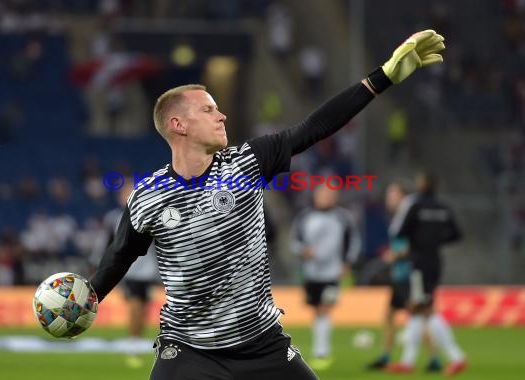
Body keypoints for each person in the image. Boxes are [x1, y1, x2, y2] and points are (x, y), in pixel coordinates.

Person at [89, 30, 446, 380]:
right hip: (189, 350)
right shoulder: (149, 195)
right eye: (208, 109)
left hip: (263, 346)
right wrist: (87, 300)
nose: (222, 115)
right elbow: (120, 255)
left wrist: (381, 78)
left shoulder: (248, 162)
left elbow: (315, 127)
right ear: (178, 124)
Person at [384, 171, 467, 376]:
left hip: (418, 262)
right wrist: (436, 240)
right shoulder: (442, 207)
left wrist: (417, 241)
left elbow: (399, 232)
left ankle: (456, 357)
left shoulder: (415, 205)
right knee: (416, 308)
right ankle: (407, 362)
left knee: (425, 309)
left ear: (422, 184)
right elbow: (456, 234)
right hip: (435, 261)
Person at [367, 179, 442, 372]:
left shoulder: (410, 217)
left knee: (418, 313)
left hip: (409, 273)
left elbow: (415, 243)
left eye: (392, 194)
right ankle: (385, 355)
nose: (388, 198)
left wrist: (396, 255)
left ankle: (433, 358)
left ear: (402, 197)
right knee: (391, 314)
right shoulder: (398, 217)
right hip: (399, 274)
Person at [290, 184, 361, 371]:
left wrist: (347, 263)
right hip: (311, 272)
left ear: (334, 198)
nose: (324, 198)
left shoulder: (343, 217)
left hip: (332, 272)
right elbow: (295, 241)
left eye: (328, 195)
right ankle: (320, 350)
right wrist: (303, 251)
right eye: (321, 195)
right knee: (316, 310)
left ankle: (322, 352)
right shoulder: (305, 217)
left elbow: (353, 240)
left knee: (324, 309)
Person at [90, 183, 160, 368]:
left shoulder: (148, 210)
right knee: (136, 306)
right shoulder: (113, 218)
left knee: (143, 309)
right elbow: (107, 242)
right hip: (130, 270)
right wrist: (98, 263)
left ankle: (136, 341)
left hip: (149, 270)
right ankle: (133, 345)